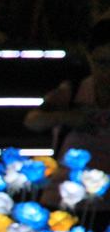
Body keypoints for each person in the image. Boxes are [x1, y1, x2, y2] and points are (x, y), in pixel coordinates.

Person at [24, 19, 110, 170]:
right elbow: (32, 121)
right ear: (89, 58)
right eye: (102, 63)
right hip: (67, 186)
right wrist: (64, 117)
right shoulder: (74, 90)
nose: (108, 73)